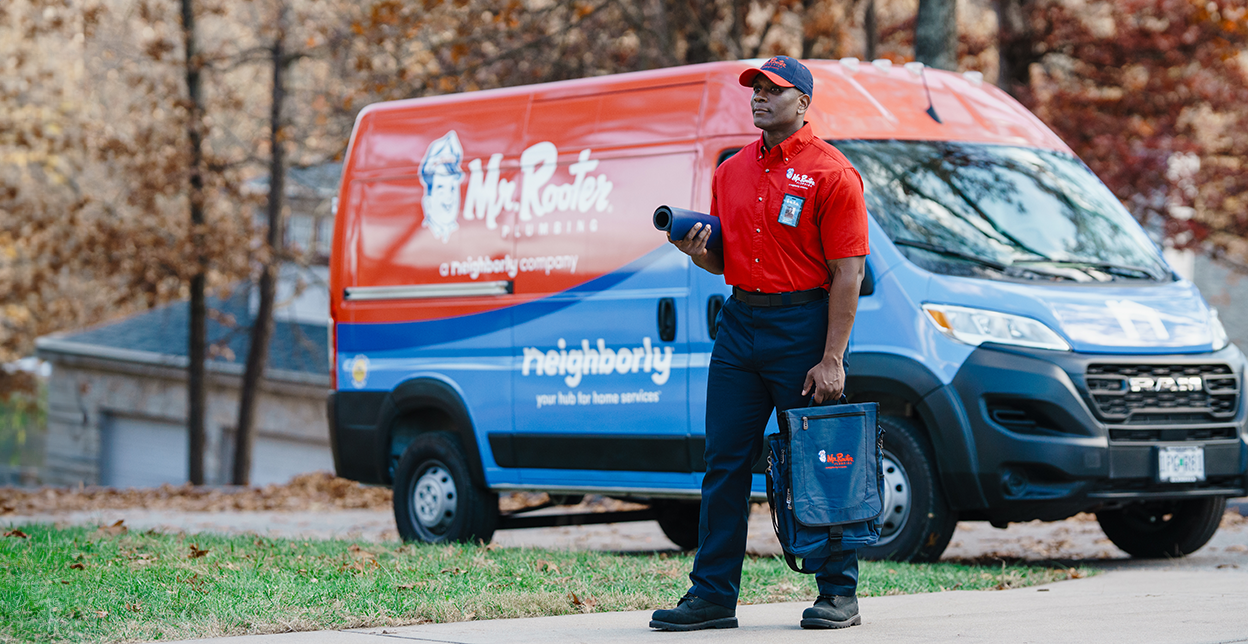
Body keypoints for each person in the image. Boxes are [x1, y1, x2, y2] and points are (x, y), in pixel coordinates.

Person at [650, 56, 869, 631]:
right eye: (755, 89)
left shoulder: (833, 174)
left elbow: (848, 273)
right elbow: (722, 260)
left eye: (773, 90)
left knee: (817, 459)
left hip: (803, 326)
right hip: (740, 324)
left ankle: (838, 593)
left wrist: (832, 358)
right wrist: (697, 251)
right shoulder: (731, 171)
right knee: (723, 462)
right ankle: (713, 596)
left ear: (802, 103)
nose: (759, 98)